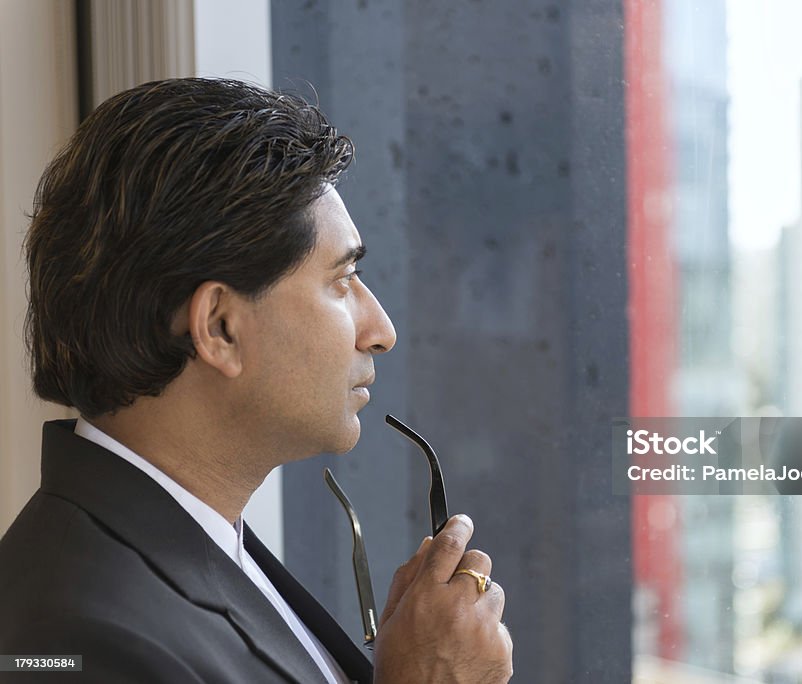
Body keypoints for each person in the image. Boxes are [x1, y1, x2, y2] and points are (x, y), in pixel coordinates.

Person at [0, 78, 513, 683]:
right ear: (219, 327)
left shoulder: (202, 549)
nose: (381, 330)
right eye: (342, 281)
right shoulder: (73, 635)